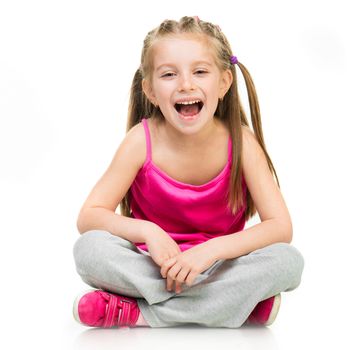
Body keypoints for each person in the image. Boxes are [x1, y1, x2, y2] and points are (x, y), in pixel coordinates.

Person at [72, 15, 305, 329]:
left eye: (200, 71)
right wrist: (148, 233)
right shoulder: (140, 141)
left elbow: (280, 227)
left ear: (223, 82)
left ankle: (140, 314)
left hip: (219, 267)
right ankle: (232, 306)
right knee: (89, 251)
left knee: (288, 263)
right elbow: (89, 217)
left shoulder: (242, 143)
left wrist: (209, 252)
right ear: (150, 90)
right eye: (169, 74)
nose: (185, 84)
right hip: (152, 268)